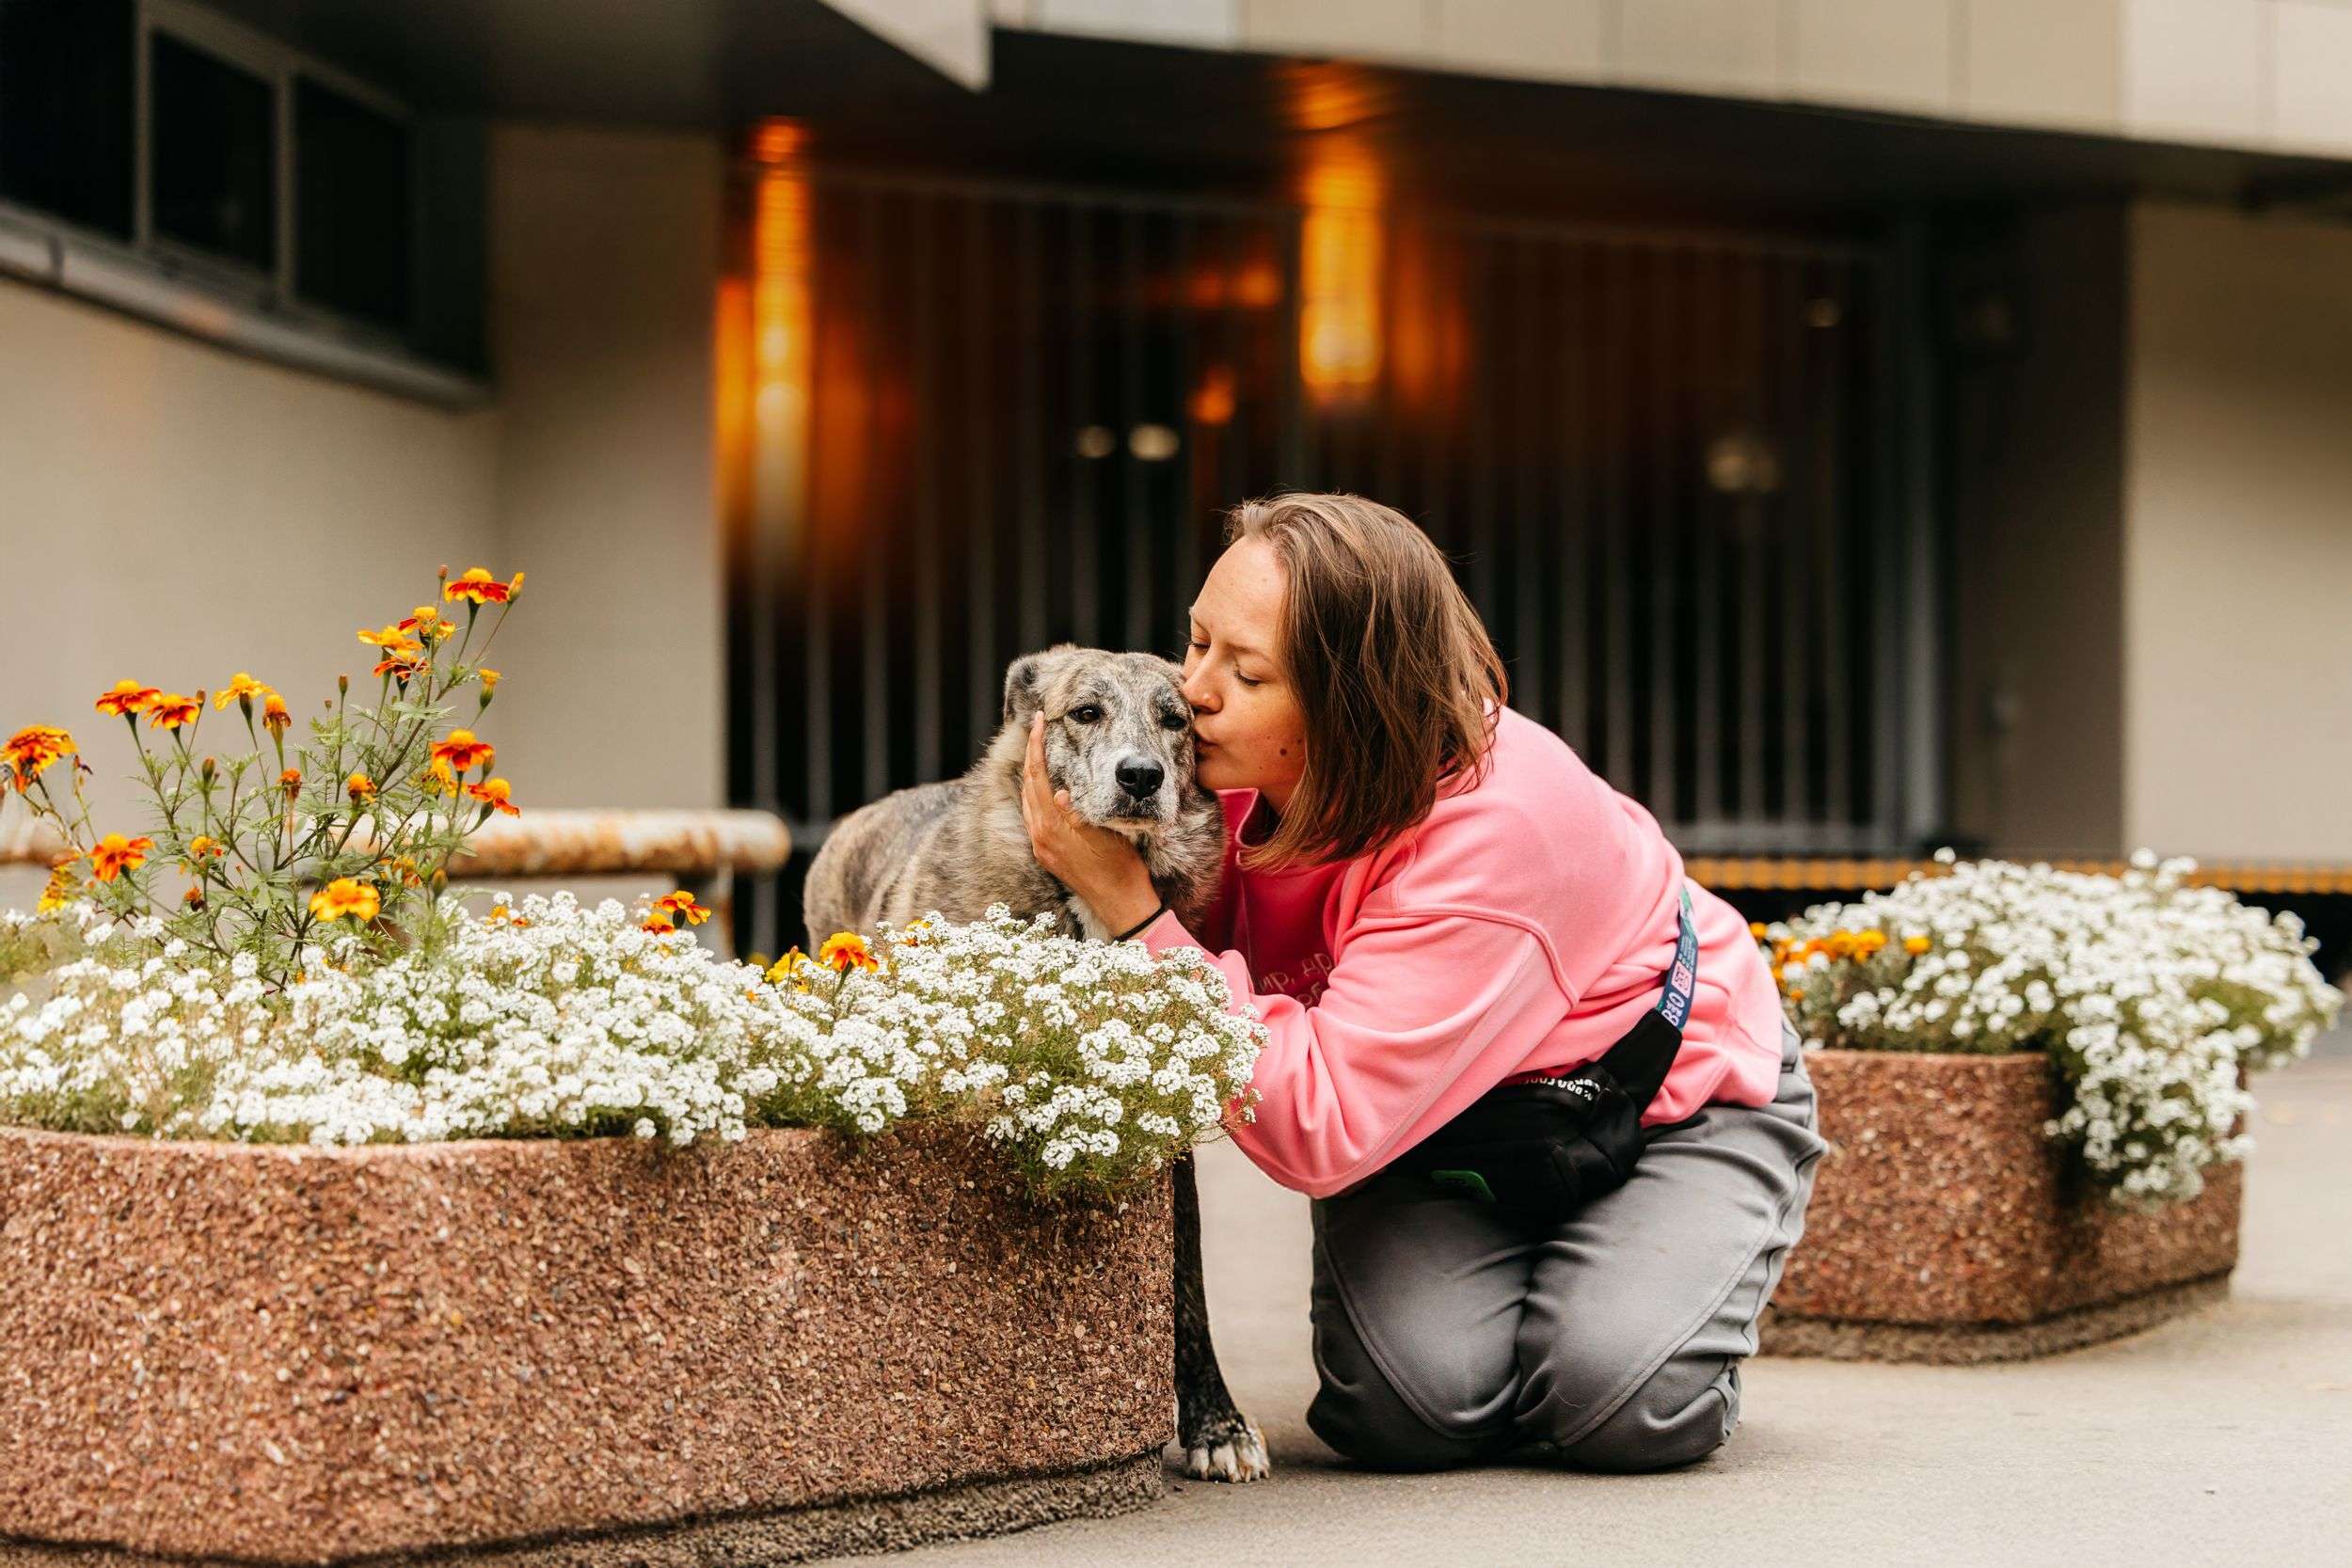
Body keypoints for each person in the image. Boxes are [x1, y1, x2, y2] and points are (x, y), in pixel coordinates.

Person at [1017, 492, 1826, 1473]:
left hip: (1662, 1099)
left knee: (1614, 1395)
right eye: (1196, 642)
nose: (1194, 691)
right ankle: (1547, 1292)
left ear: (1349, 698)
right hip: (1444, 1123)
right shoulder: (1211, 779)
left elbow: (1321, 1124)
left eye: (1247, 669)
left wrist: (1131, 910)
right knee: (1403, 1410)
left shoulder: (1499, 828)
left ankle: (1642, 1285)